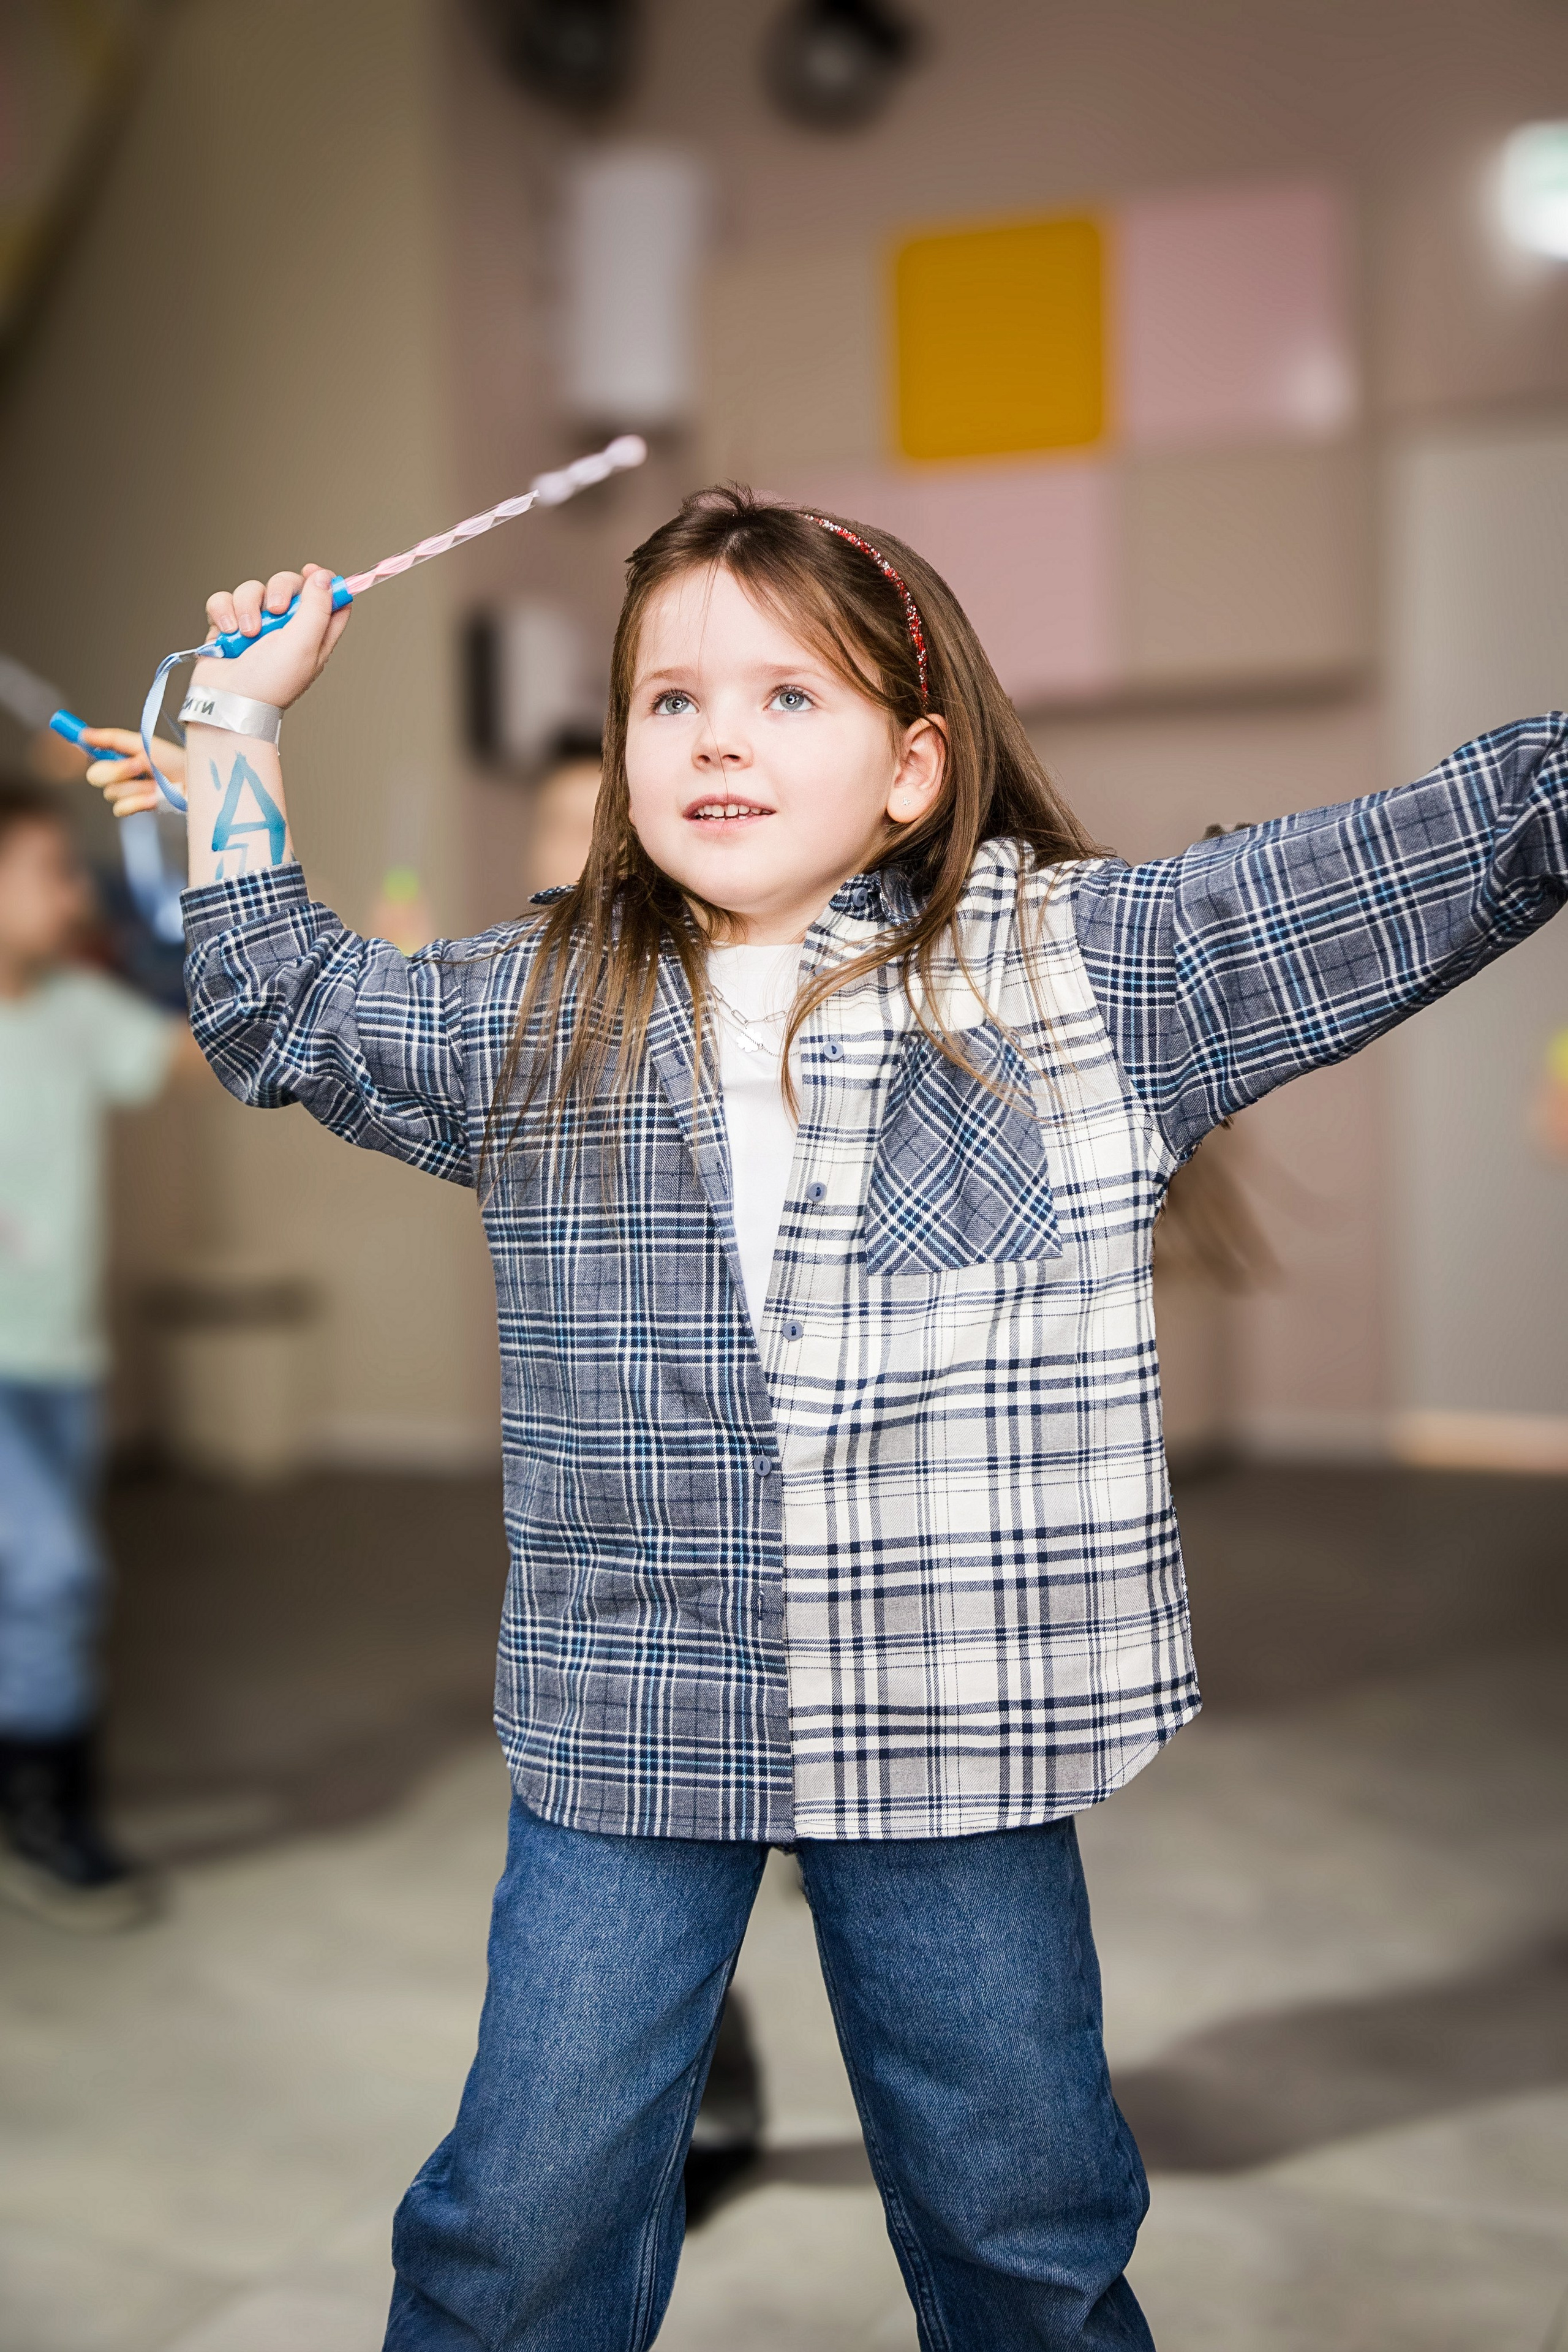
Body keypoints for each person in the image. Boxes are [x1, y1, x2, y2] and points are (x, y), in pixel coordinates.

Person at [107, 487, 1568, 2348]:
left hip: (948, 1723)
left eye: (791, 698)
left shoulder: (1096, 971)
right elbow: (274, 1004)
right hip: (634, 1710)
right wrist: (236, 726)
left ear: (912, 765)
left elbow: (1492, 823)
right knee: (516, 2228)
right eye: (671, 700)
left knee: (1019, 2226)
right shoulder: (534, 1008)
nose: (718, 732)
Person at [0, 776, 195, 1930]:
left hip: (62, 1365)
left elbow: (188, 1055)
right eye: (46, 871)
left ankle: (34, 1804)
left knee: (32, 1600)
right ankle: (49, 1825)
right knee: (56, 1572)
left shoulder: (73, 1009)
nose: (73, 890)